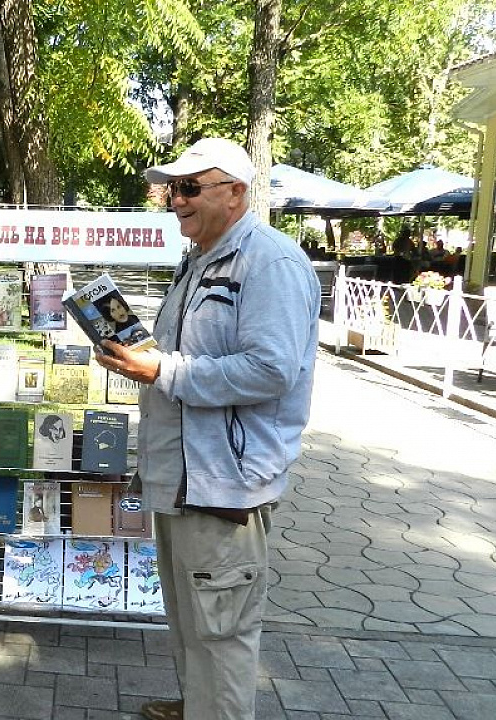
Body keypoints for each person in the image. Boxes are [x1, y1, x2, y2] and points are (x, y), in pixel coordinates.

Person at [96, 138, 319, 720]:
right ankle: (200, 703)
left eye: (190, 187)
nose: (175, 201)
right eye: (173, 189)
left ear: (236, 193)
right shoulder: (198, 261)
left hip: (225, 483)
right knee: (191, 613)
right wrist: (136, 359)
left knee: (223, 627)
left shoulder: (269, 261)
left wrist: (162, 368)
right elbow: (184, 357)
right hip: (182, 478)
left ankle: (216, 709)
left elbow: (272, 369)